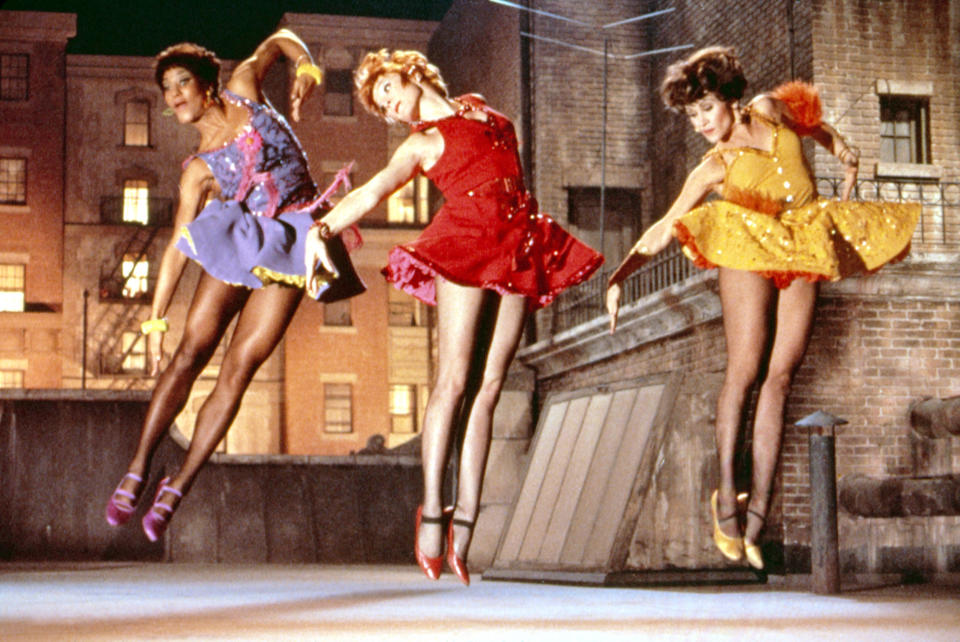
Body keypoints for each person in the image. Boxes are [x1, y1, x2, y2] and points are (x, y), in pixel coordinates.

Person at [606, 47, 918, 570]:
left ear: (728, 97)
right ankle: (727, 494)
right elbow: (666, 225)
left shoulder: (771, 109)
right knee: (746, 370)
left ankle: (759, 518)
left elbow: (815, 124)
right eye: (692, 115)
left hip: (803, 240)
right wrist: (621, 276)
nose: (701, 122)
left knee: (781, 376)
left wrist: (843, 149)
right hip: (748, 246)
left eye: (706, 108)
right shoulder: (714, 164)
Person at [304, 49, 604, 584]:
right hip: (465, 243)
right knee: (453, 382)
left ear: (413, 73)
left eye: (389, 92)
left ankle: (468, 516)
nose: (392, 108)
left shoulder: (487, 114)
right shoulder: (421, 144)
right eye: (382, 106)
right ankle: (433, 511)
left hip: (518, 242)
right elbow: (374, 190)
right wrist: (322, 229)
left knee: (492, 385)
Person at [104, 29, 364, 542]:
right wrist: (154, 319)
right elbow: (179, 244)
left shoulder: (246, 86)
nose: (174, 95)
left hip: (296, 240)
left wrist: (308, 68)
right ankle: (137, 467)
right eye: (166, 90)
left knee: (241, 366)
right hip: (244, 237)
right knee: (190, 350)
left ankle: (179, 484)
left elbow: (282, 40)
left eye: (182, 83)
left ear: (207, 84)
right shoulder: (198, 169)